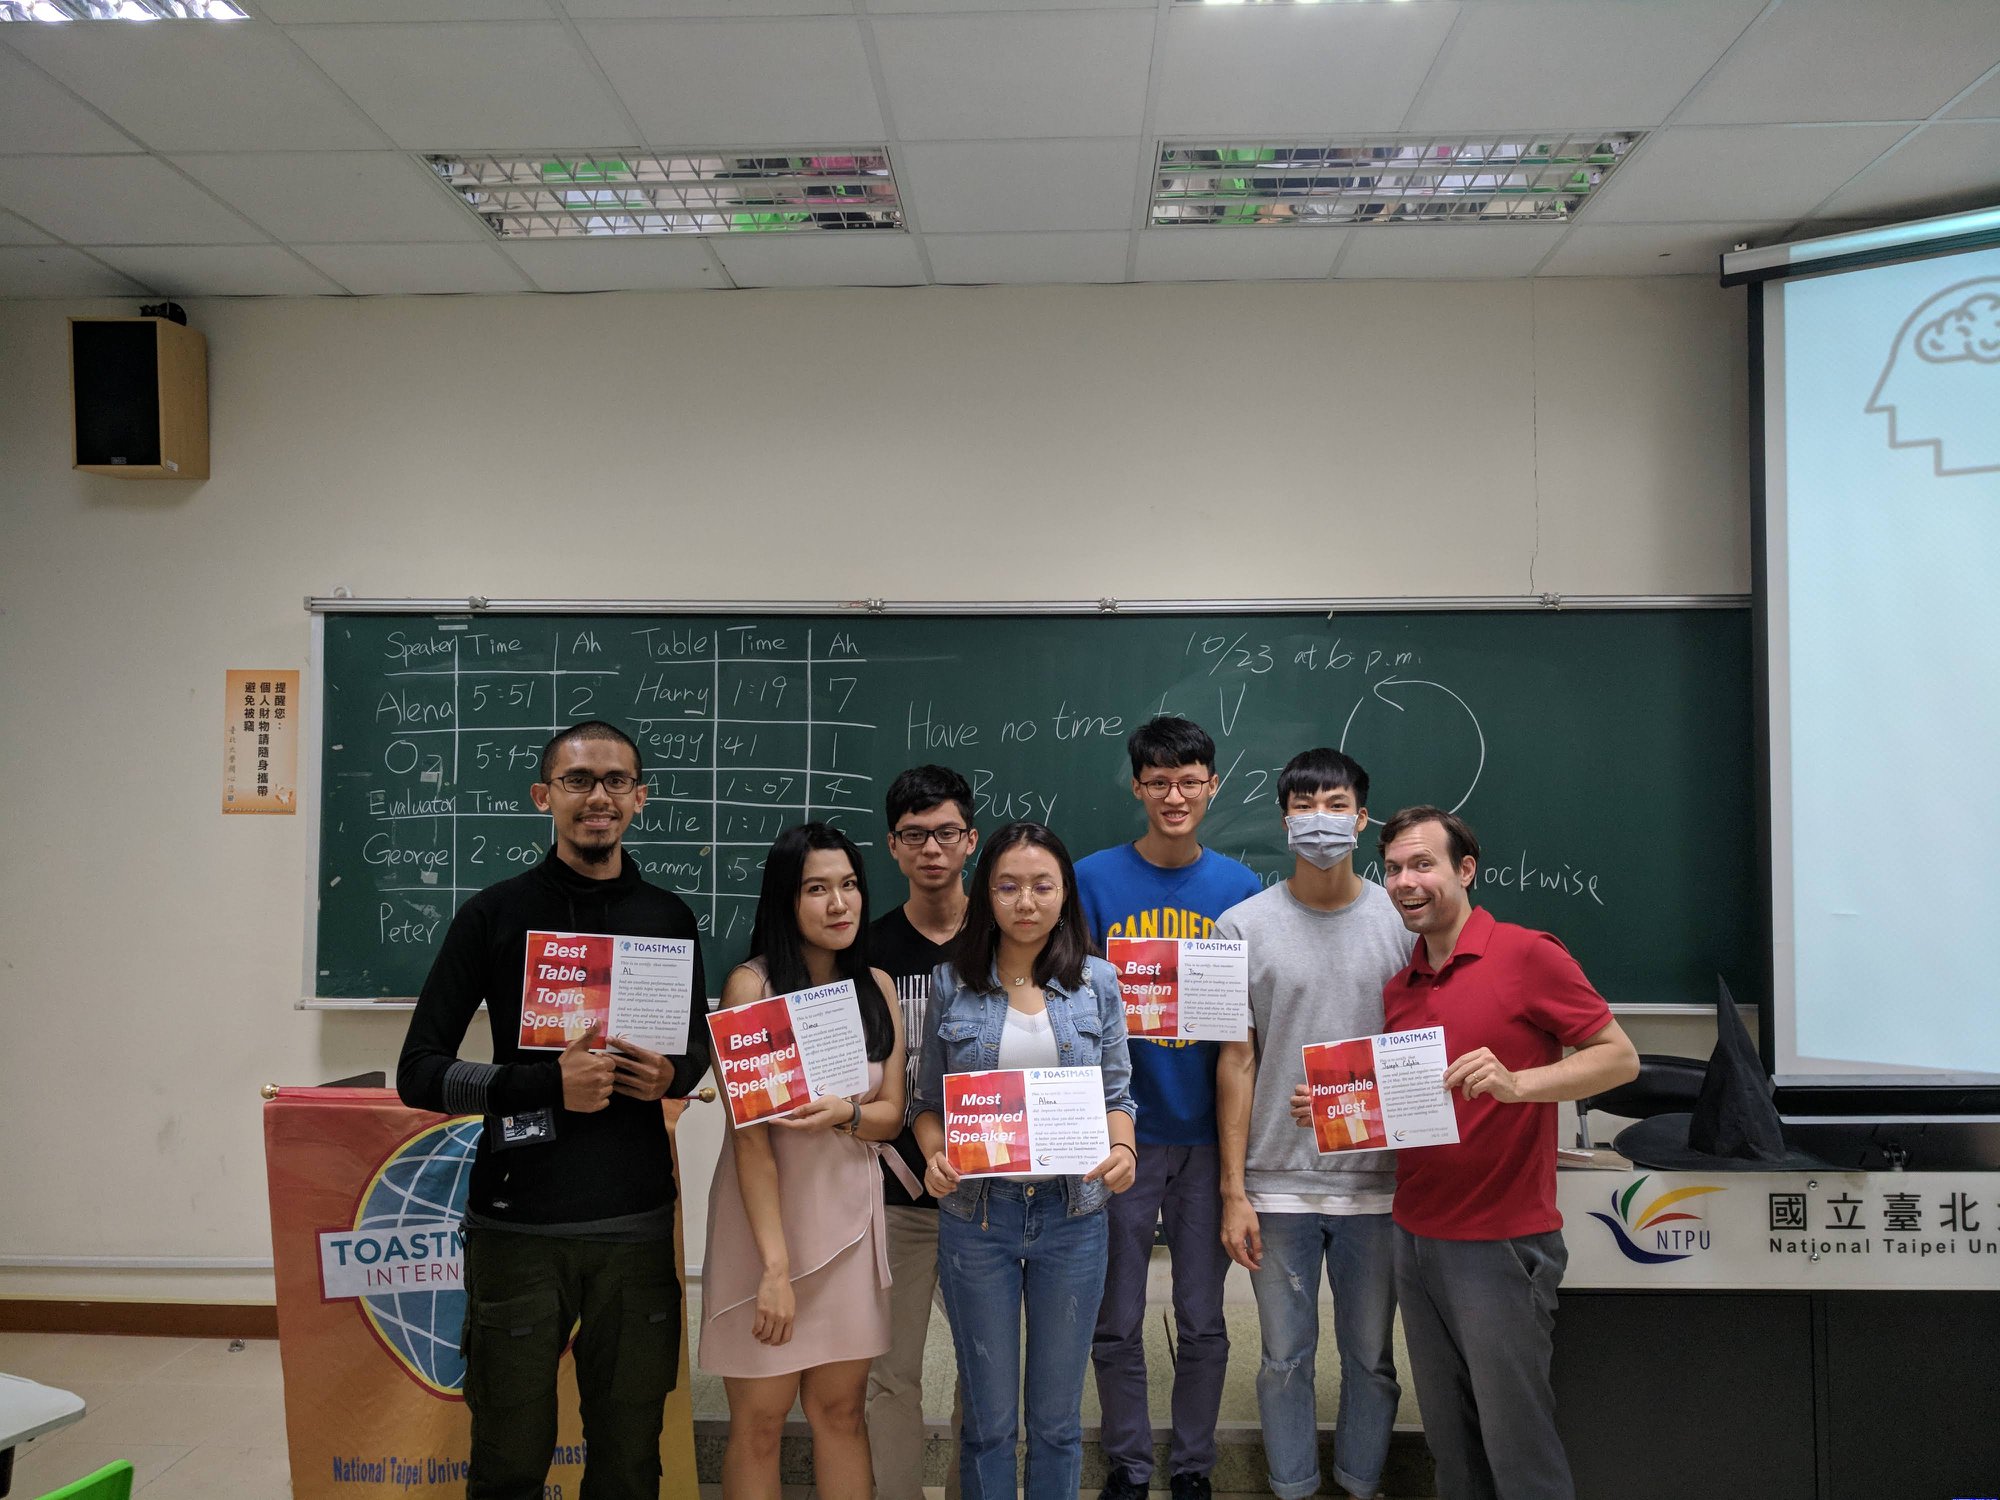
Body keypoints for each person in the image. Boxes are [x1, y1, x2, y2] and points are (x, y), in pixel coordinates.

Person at [396, 719, 710, 1500]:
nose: (598, 796)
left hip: (635, 1223)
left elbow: (695, 1050)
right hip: (518, 1226)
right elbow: (419, 1073)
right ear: (544, 796)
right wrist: (542, 1086)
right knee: (508, 1461)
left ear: (639, 798)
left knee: (629, 1461)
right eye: (578, 780)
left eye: (615, 781)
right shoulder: (494, 914)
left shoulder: (669, 918)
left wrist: (670, 1074)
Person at [1302, 807, 1640, 1500]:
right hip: (1415, 1236)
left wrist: (1520, 1085)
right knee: (1452, 1448)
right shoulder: (1401, 987)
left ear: (1465, 869)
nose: (1405, 881)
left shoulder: (1526, 955)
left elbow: (1619, 1058)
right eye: (1394, 869)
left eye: (1422, 864)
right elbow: (1421, 1106)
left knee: (1518, 1447)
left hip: (1500, 1242)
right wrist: (1341, 1108)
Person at [913, 820, 1138, 1500]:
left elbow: (1118, 1095)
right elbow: (927, 1104)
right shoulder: (951, 983)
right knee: (987, 1422)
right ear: (987, 893)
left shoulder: (1099, 982)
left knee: (1057, 1422)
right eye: (1008, 886)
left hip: (1073, 1216)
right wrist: (934, 1155)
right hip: (978, 1217)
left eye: (1043, 886)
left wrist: (1123, 1146)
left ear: (1064, 893)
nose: (1026, 902)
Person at [1213, 749, 1411, 1500]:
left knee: (1373, 1360)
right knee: (1283, 1359)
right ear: (1284, 820)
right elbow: (1236, 1061)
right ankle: (1291, 1487)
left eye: (1336, 805)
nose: (1319, 820)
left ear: (1363, 819)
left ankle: (1361, 1483)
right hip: (1278, 1185)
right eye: (1304, 806)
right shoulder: (1241, 927)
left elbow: (1425, 1053)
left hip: (1381, 1187)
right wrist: (1234, 1190)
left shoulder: (1404, 921)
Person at [1074, 716, 1261, 1500]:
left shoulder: (1241, 890)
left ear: (1212, 786)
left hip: (1209, 1137)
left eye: (1189, 781)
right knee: (1115, 1318)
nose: (1174, 796)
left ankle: (1192, 1468)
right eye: (1158, 782)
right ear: (1138, 787)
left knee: (1203, 1318)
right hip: (1123, 1134)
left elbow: (1246, 1034)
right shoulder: (1089, 881)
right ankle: (1127, 1464)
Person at [698, 823, 905, 1500]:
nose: (839, 904)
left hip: (850, 1228)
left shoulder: (875, 985)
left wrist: (846, 1113)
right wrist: (775, 1268)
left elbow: (890, 1115)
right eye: (817, 889)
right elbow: (749, 1139)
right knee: (759, 1423)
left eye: (849, 886)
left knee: (840, 1414)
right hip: (765, 1234)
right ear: (786, 900)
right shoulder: (751, 987)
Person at [867, 766, 976, 1500]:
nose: (931, 849)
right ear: (893, 846)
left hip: (989, 1199)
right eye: (914, 835)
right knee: (891, 1374)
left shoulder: (1007, 939)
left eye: (945, 833)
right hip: (893, 1199)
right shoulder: (866, 950)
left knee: (988, 1373)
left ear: (971, 840)